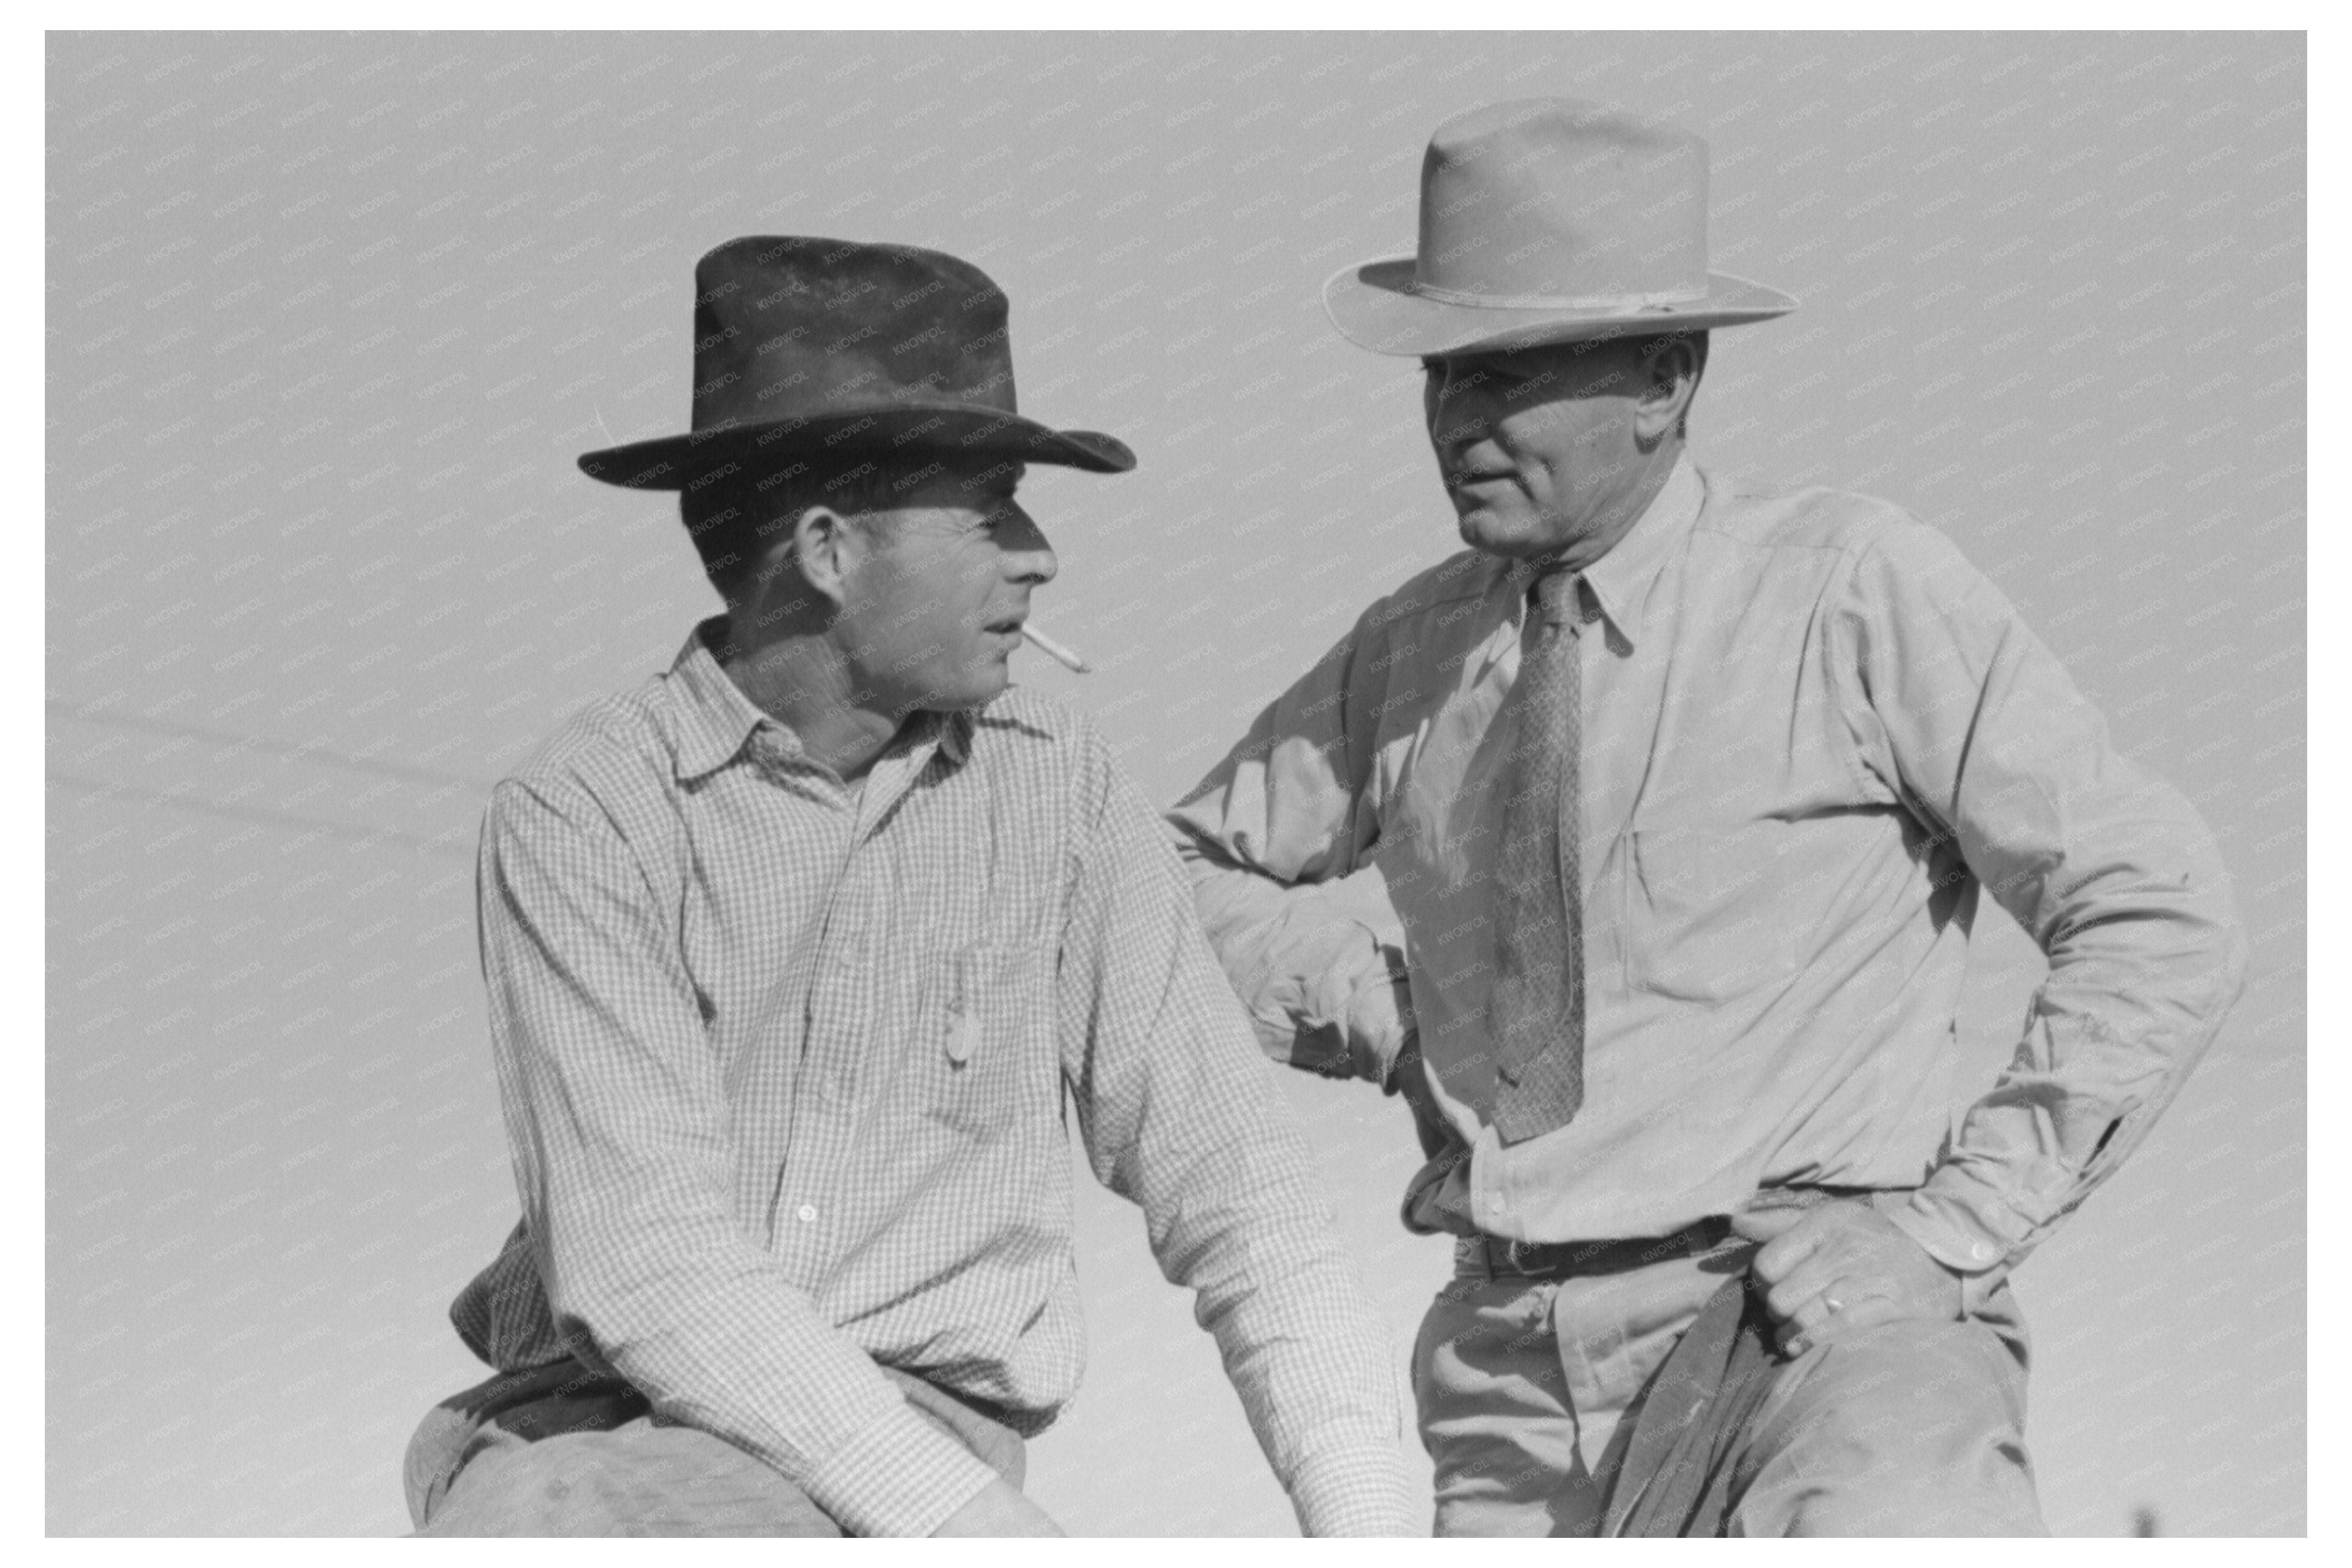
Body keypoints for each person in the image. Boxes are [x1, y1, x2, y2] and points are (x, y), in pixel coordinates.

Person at [1166, 99, 2246, 1537]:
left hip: (1815, 1335)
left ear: (1666, 380)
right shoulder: (1411, 651)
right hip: (1508, 1378)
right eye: (1441, 373)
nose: (1458, 419)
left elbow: (2159, 910)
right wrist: (1394, 1017)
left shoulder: (1853, 588)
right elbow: (1162, 877)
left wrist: (1951, 1225)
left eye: (1509, 374)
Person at [402, 236, 1416, 1538]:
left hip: (925, 1446)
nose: (1039, 555)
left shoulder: (1058, 788)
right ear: (828, 550)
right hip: (599, 1446)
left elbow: (1239, 1187)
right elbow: (651, 1265)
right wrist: (972, 1532)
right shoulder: (585, 811)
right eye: (991, 507)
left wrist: (1369, 1517)